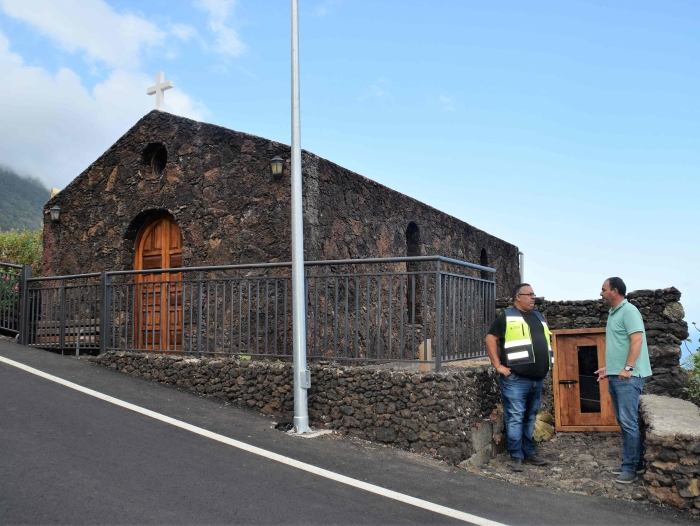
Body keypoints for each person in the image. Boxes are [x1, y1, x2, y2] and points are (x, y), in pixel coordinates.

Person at [485, 283, 552, 472]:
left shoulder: (538, 316)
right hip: (516, 379)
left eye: (534, 294)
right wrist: (498, 365)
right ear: (518, 297)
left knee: (530, 416)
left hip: (537, 379)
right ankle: (516, 455)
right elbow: (490, 339)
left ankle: (529, 452)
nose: (533, 297)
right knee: (515, 417)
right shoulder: (507, 316)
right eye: (529, 294)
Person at [595, 277, 652, 484]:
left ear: (615, 291)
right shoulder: (613, 313)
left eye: (603, 289)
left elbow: (637, 340)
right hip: (617, 375)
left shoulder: (629, 311)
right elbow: (620, 345)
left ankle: (630, 468)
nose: (600, 293)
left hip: (629, 377)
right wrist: (608, 369)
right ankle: (633, 463)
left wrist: (627, 368)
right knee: (624, 420)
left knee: (628, 422)